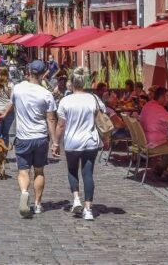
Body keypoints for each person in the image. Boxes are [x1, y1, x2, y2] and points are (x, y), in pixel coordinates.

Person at [0, 60, 56, 218]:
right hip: (40, 137)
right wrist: (55, 141)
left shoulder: (18, 89)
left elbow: (11, 103)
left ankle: (24, 192)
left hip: (23, 137)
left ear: (29, 72)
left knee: (23, 171)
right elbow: (51, 119)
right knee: (39, 171)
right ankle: (38, 204)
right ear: (43, 74)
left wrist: (4, 114)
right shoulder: (46, 94)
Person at [52, 67, 105, 221]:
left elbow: (60, 125)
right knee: (88, 174)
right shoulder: (93, 98)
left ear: (71, 83)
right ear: (84, 83)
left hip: (72, 142)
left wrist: (55, 143)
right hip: (90, 141)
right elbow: (103, 114)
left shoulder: (65, 101)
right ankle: (88, 209)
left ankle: (76, 199)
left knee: (72, 170)